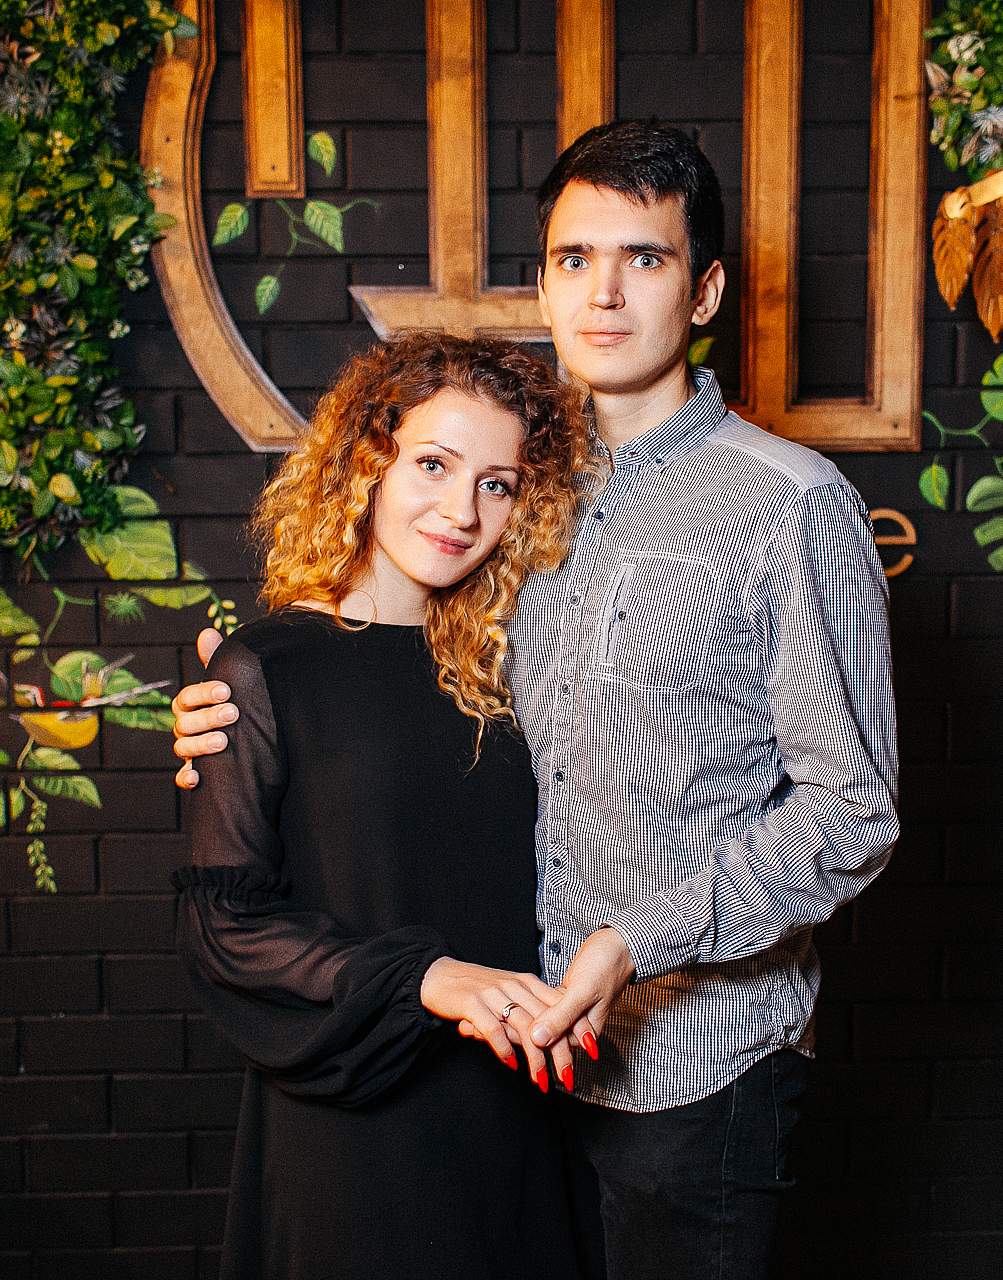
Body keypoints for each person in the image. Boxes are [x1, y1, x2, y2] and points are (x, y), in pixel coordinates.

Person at [174, 122, 900, 1280]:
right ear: (546, 283)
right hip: (515, 1073)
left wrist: (634, 941)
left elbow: (851, 810)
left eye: (644, 258)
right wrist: (242, 705)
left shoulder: (789, 506)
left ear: (705, 290)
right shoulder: (525, 489)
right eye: (574, 258)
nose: (604, 292)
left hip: (689, 1073)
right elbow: (388, 675)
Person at [174, 330, 604, 1279]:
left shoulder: (520, 665)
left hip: (516, 1115)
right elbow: (224, 929)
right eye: (434, 465)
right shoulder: (264, 669)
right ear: (367, 461)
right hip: (353, 1129)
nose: (462, 511)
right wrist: (426, 977)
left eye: (497, 484)